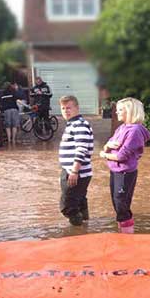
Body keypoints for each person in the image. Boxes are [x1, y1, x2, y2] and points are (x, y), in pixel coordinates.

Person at [99, 97, 150, 234]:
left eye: (120, 110)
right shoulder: (122, 128)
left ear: (130, 111)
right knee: (117, 203)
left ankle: (127, 237)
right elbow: (106, 147)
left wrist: (104, 155)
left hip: (125, 172)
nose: (117, 112)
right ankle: (123, 231)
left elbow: (121, 156)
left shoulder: (134, 131)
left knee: (121, 203)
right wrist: (108, 146)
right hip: (115, 170)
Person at [58, 95, 93, 226]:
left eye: (69, 108)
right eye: (63, 108)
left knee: (67, 205)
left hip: (77, 173)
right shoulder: (73, 124)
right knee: (79, 201)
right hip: (72, 171)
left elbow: (81, 149)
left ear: (77, 108)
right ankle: (85, 228)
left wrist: (74, 171)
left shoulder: (79, 125)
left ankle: (78, 233)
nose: (66, 111)